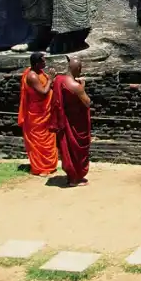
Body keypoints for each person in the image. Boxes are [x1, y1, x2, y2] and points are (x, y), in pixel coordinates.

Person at [50, 55, 92, 186]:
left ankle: (71, 176)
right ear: (78, 68)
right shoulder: (76, 87)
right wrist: (83, 88)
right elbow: (88, 102)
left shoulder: (59, 80)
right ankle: (75, 178)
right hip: (76, 123)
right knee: (77, 151)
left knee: (67, 149)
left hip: (64, 120)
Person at [17, 52, 57, 175]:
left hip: (45, 112)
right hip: (36, 114)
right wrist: (50, 79)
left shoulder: (40, 73)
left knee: (48, 137)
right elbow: (43, 92)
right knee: (38, 142)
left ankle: (49, 166)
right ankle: (41, 168)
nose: (45, 63)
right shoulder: (32, 76)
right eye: (43, 61)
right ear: (36, 63)